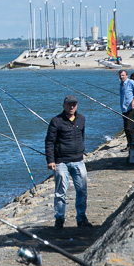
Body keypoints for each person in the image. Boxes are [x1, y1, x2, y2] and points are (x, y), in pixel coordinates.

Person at [45, 95, 92, 229]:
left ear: (76, 105)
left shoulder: (82, 119)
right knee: (60, 192)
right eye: (69, 104)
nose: (71, 106)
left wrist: (81, 150)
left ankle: (81, 218)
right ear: (63, 105)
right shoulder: (56, 121)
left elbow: (82, 137)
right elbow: (49, 142)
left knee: (82, 190)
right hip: (61, 162)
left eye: (74, 104)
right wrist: (51, 160)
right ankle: (59, 218)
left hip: (78, 160)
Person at [119, 70, 134, 148]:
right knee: (126, 128)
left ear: (126, 75)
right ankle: (129, 145)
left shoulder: (131, 82)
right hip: (124, 109)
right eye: (120, 75)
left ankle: (133, 145)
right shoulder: (121, 84)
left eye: (123, 75)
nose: (121, 77)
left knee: (130, 128)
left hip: (131, 108)